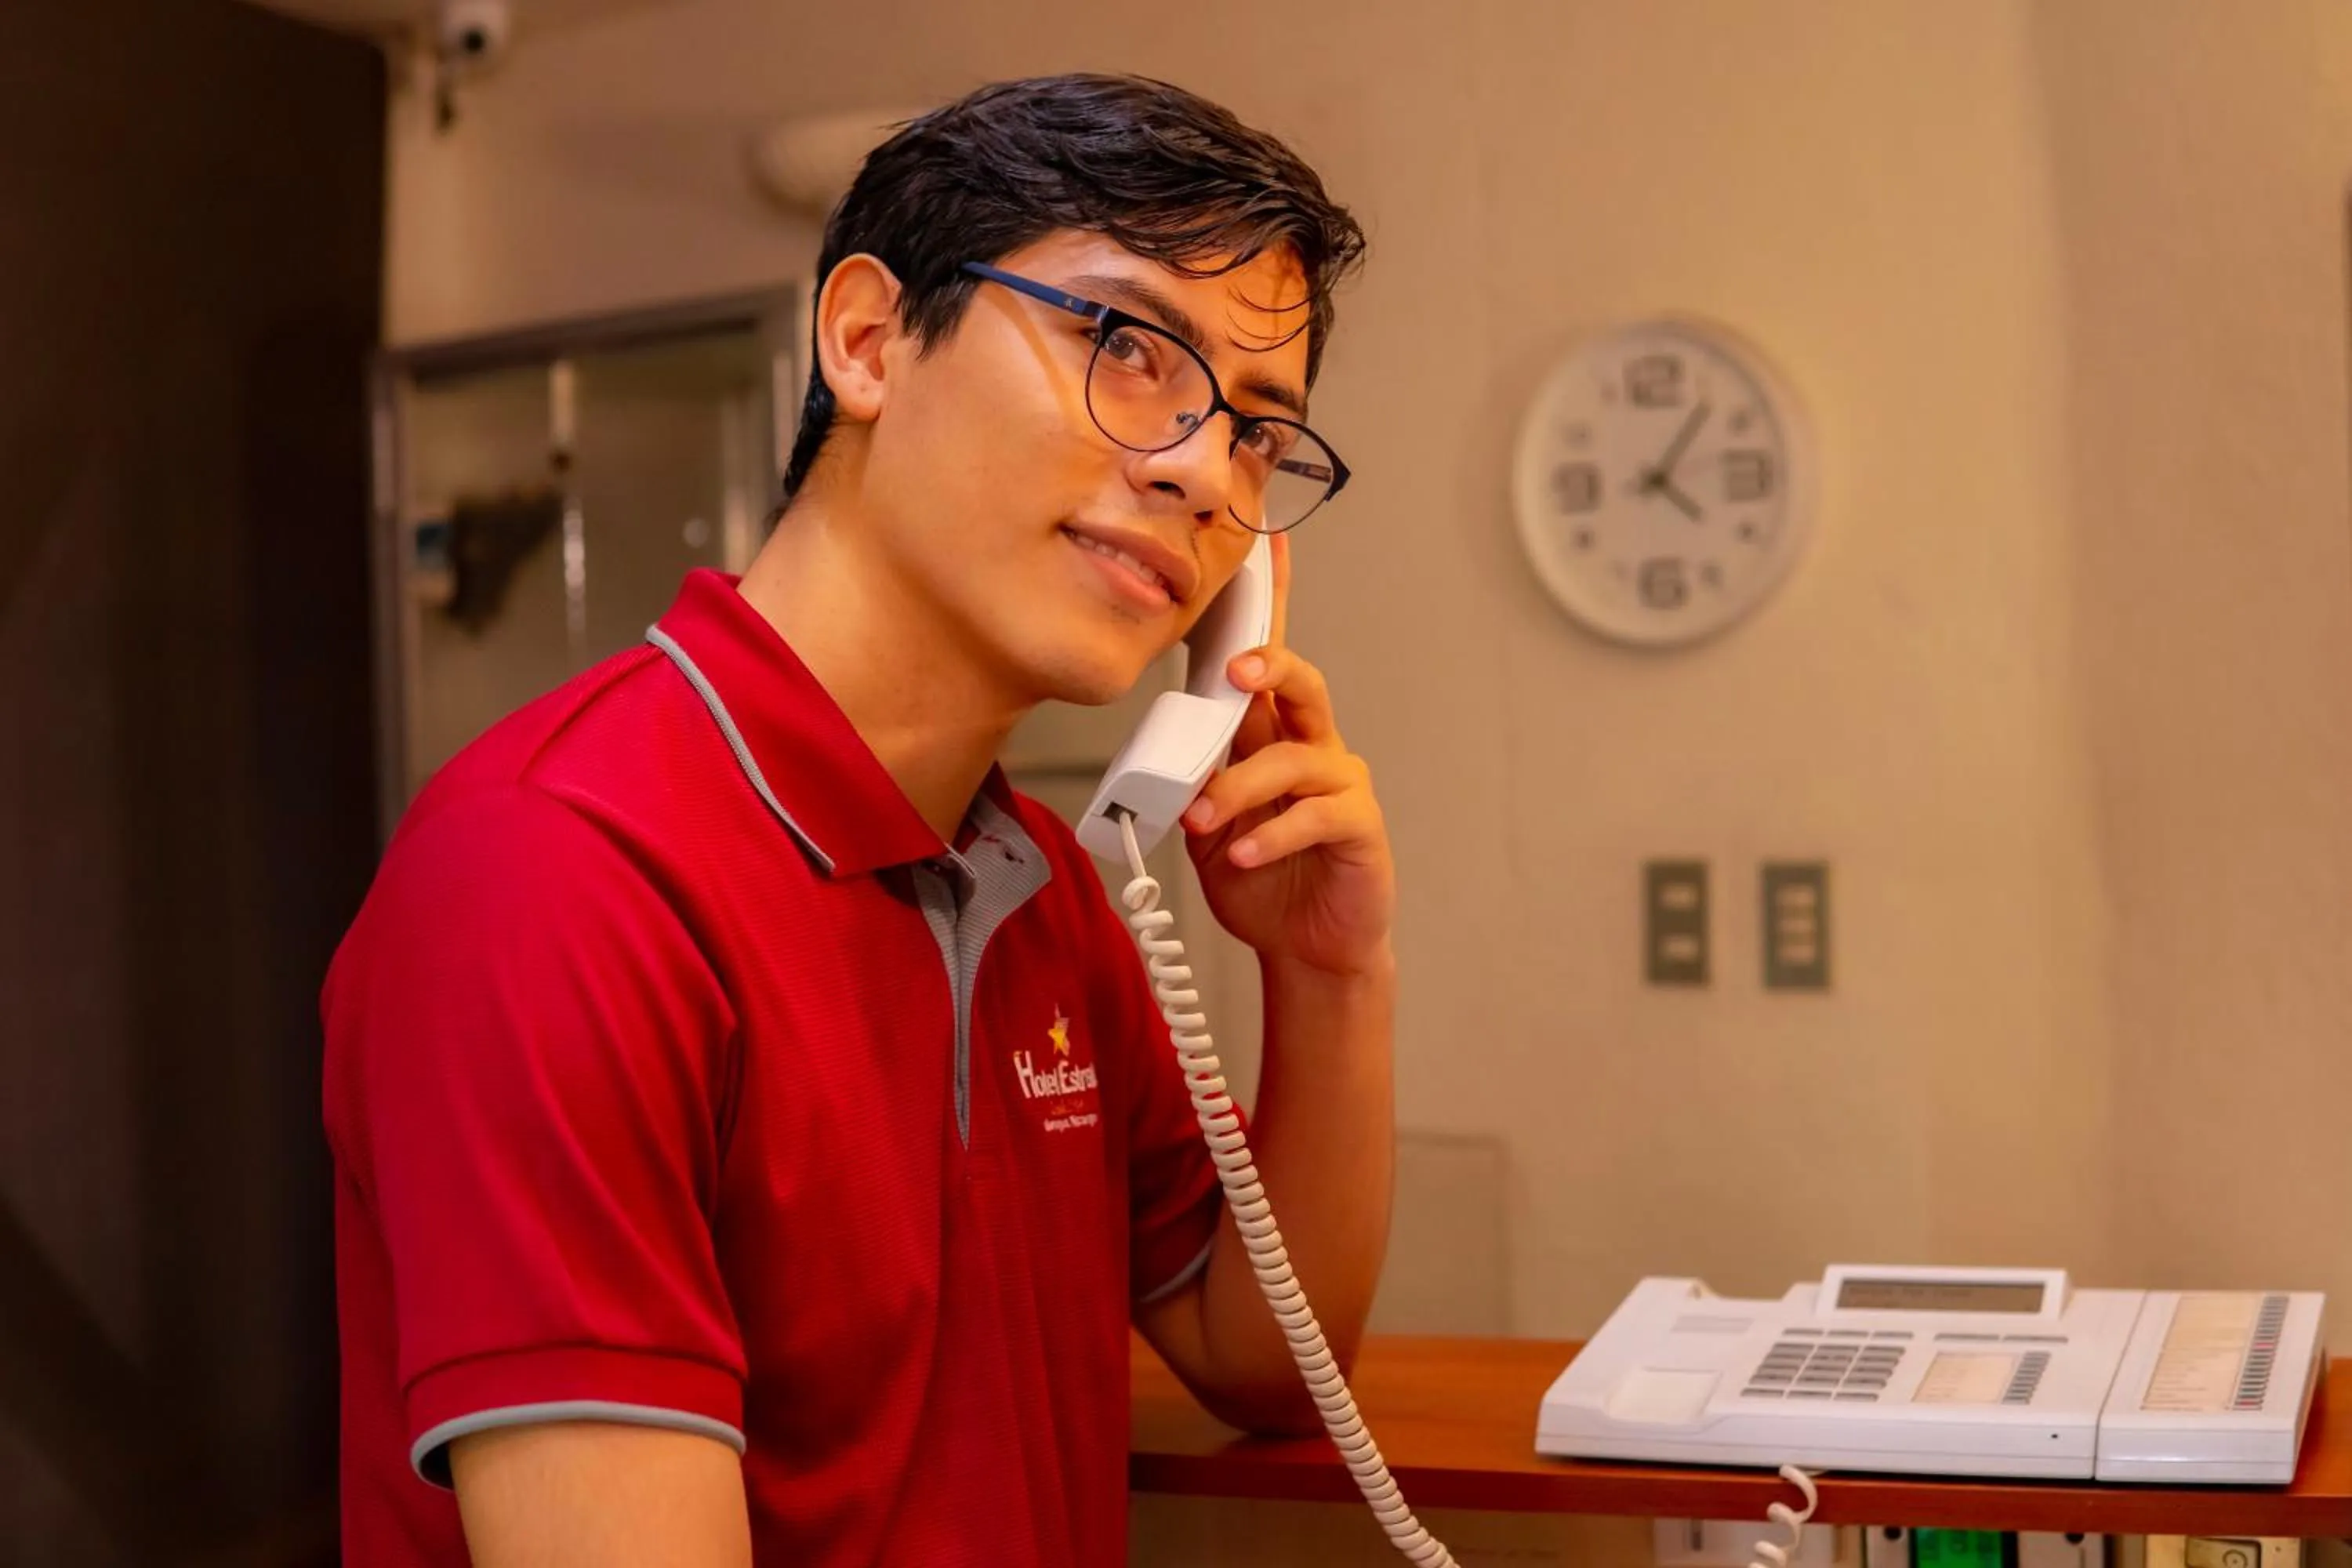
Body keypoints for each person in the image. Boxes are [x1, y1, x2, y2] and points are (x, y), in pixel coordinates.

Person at [321, 71, 1394, 1567]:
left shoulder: (1035, 884)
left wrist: (1330, 973)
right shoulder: (555, 875)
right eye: (1130, 347)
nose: (1200, 473)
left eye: (1259, 436)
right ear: (871, 340)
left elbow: (1267, 1362)